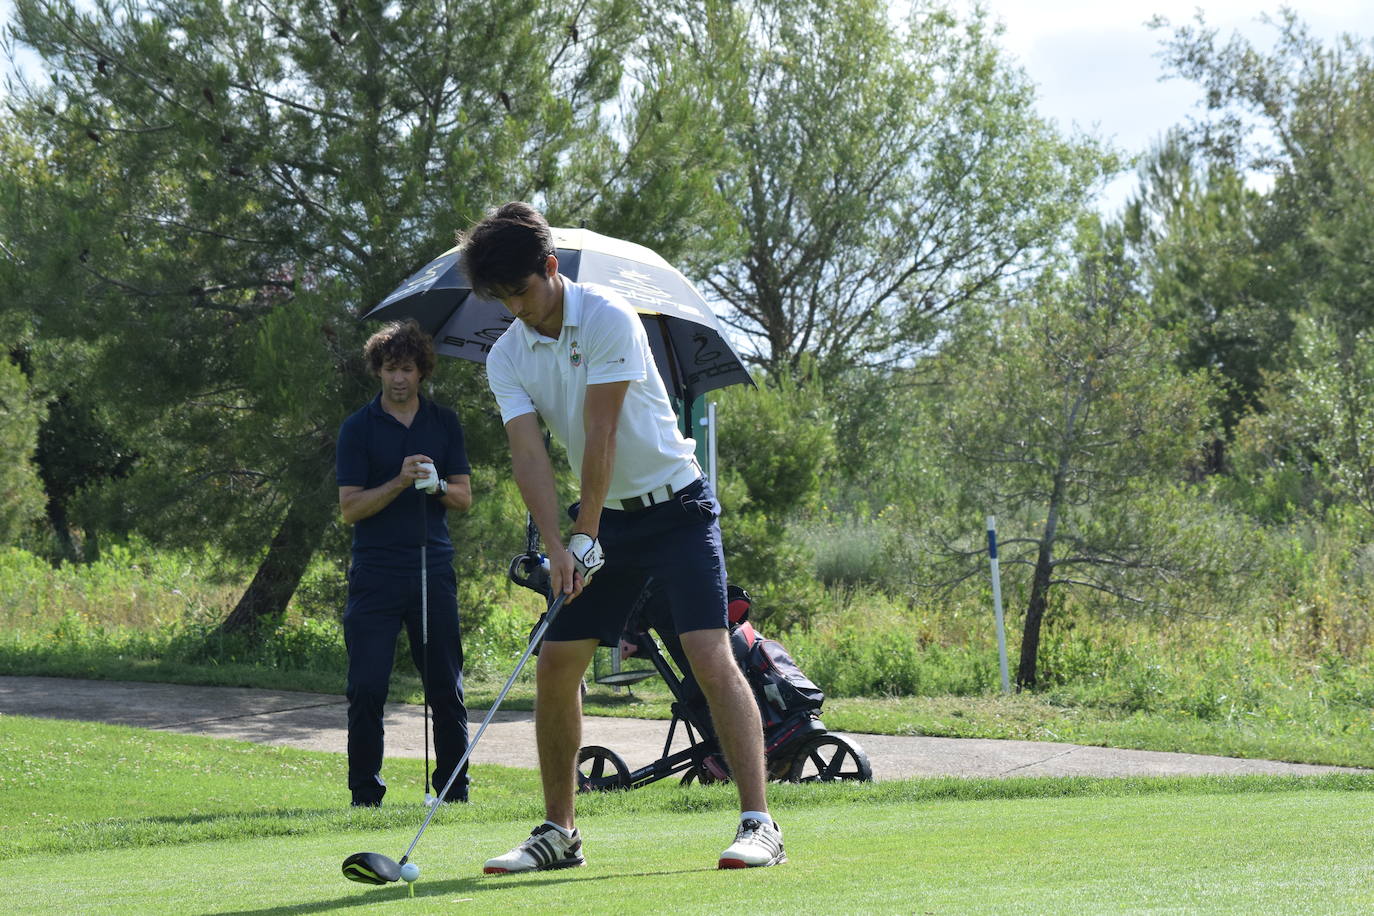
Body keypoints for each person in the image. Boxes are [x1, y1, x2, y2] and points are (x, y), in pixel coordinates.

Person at [464, 202, 785, 872]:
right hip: (603, 518)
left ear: (550, 268)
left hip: (675, 507)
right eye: (499, 299)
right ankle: (559, 832)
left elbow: (601, 431)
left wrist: (586, 531)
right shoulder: (507, 356)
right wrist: (557, 544)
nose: (514, 309)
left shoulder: (609, 316)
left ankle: (759, 823)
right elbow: (529, 455)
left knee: (707, 651)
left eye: (519, 291)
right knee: (557, 665)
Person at [335, 319, 473, 807]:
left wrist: (434, 486)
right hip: (375, 572)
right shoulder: (357, 428)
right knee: (367, 685)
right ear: (378, 370)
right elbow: (350, 508)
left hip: (432, 569)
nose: (399, 378)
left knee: (445, 686)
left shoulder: (444, 423)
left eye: (407, 369)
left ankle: (454, 793)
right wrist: (398, 481)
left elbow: (463, 497)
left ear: (421, 372)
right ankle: (365, 796)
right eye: (390, 368)